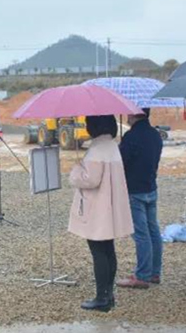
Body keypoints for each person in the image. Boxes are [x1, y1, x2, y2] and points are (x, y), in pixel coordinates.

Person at [68, 115, 133, 312]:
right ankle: (108, 294)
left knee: (98, 252)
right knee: (108, 250)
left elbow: (91, 180)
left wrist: (76, 171)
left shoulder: (96, 150)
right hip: (109, 207)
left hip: (97, 208)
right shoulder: (112, 146)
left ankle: (101, 297)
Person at [116, 108, 163, 289]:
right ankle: (154, 272)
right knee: (153, 231)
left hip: (134, 190)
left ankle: (142, 275)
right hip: (150, 187)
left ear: (133, 113)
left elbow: (121, 162)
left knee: (141, 234)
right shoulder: (155, 135)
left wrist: (121, 147)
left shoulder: (131, 136)